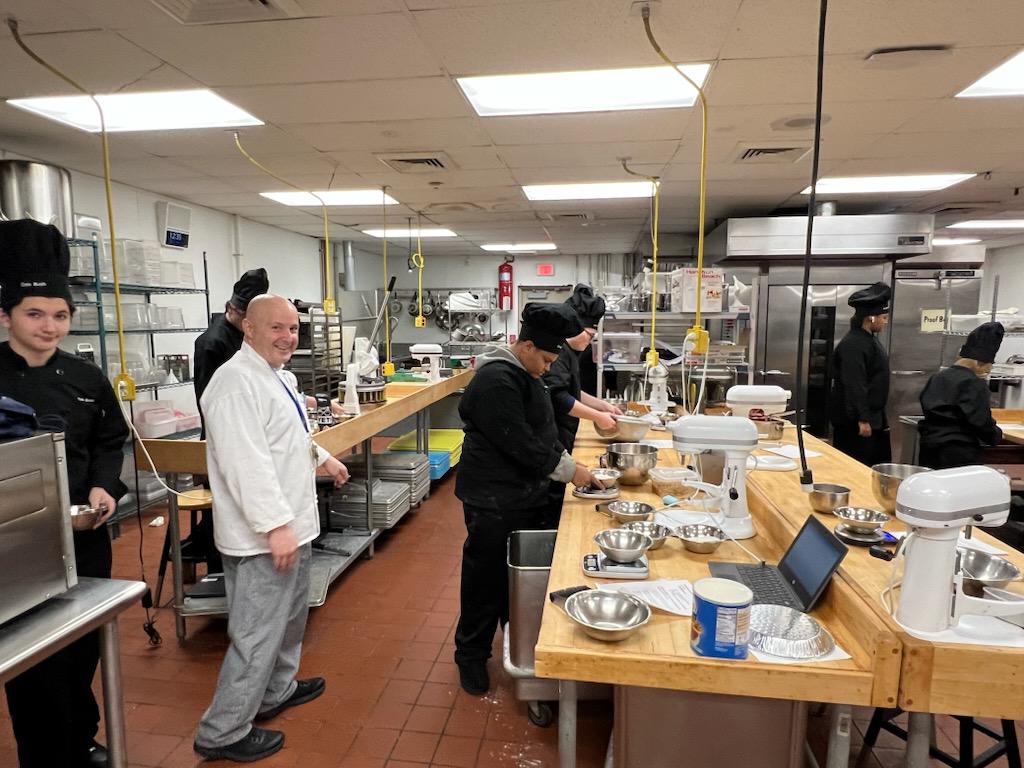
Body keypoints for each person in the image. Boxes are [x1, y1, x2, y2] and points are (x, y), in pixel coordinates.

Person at [193, 294, 349, 763]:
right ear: (249, 329)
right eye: (277, 328)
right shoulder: (235, 384)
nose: (287, 337)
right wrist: (276, 526)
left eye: (294, 329)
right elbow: (247, 465)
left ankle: (275, 691)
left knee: (289, 620)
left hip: (293, 525)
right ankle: (222, 731)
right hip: (264, 536)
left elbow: (290, 438)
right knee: (257, 632)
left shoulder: (277, 377)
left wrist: (323, 458)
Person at [0, 219, 129, 768]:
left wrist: (105, 486)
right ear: (5, 315)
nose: (49, 326)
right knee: (31, 662)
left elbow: (110, 438)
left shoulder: (85, 377)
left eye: (60, 316)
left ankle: (81, 737)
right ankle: (45, 754)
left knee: (82, 650)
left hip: (84, 534)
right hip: (13, 546)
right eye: (35, 314)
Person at [453, 303, 601, 696]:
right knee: (485, 578)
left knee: (516, 578)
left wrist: (569, 462)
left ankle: (514, 642)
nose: (550, 367)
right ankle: (470, 655)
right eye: (548, 358)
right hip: (492, 497)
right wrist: (571, 472)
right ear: (527, 345)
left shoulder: (527, 373)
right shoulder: (497, 381)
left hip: (523, 494)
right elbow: (521, 444)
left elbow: (544, 431)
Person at [543, 284, 622, 522]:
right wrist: (598, 417)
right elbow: (559, 397)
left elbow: (573, 391)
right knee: (552, 500)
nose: (590, 341)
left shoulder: (571, 352)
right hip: (552, 435)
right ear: (573, 329)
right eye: (589, 335)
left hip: (564, 434)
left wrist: (602, 406)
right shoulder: (556, 354)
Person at [918, 322, 1005, 470]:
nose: (986, 372)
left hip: (929, 448)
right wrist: (996, 435)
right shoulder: (973, 383)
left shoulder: (938, 377)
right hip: (958, 452)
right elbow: (980, 421)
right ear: (980, 364)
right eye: (987, 368)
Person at [829, 282, 892, 466]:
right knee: (856, 467)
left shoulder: (869, 340)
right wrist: (863, 419)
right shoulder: (854, 344)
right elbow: (855, 383)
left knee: (872, 467)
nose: (885, 321)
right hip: (855, 424)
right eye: (884, 317)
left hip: (872, 418)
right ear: (871, 318)